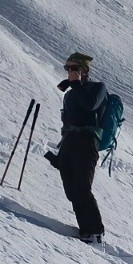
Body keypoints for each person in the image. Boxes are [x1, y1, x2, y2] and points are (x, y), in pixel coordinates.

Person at [47, 53, 108, 243]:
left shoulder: (98, 88)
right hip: (70, 141)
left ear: (84, 70)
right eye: (67, 69)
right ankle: (85, 230)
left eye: (73, 68)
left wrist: (76, 84)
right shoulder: (72, 92)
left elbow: (89, 106)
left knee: (82, 187)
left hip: (88, 142)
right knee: (72, 191)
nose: (70, 72)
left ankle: (95, 232)